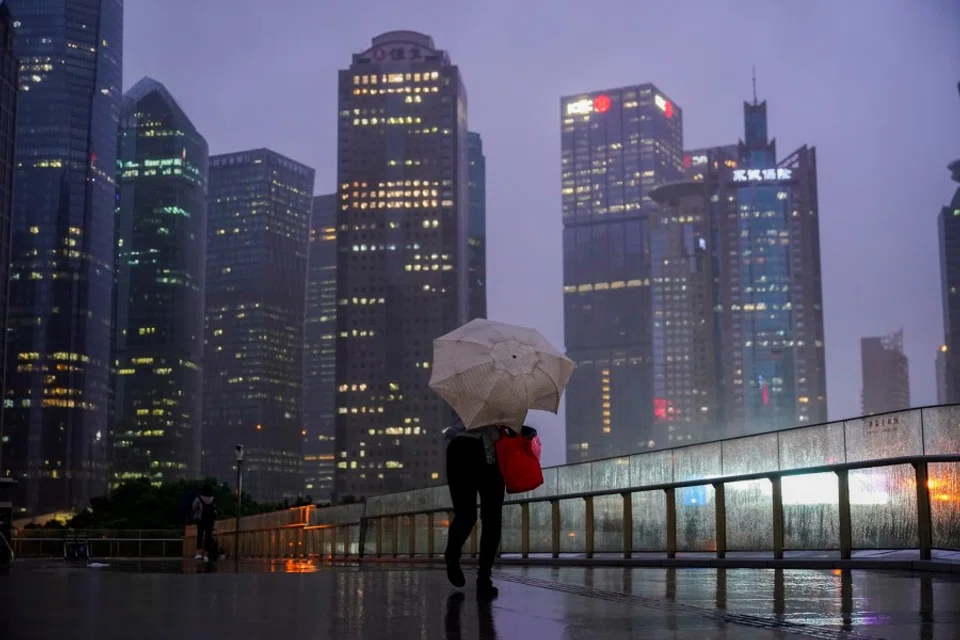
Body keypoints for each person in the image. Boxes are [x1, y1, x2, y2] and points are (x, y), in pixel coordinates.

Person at [443, 416, 507, 599]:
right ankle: (482, 577)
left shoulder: (469, 391)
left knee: (472, 516)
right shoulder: (498, 395)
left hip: (468, 451)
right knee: (487, 518)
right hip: (477, 450)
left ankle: (456, 558)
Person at [193, 484, 216, 561]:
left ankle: (199, 554)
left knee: (200, 535)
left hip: (201, 520)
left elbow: (194, 507)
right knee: (208, 537)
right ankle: (206, 554)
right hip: (210, 520)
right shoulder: (213, 499)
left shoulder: (198, 498)